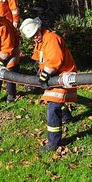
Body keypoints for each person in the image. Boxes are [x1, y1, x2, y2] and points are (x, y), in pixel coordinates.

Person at [19, 17, 77, 153]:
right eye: (32, 37)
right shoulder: (41, 41)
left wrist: (44, 75)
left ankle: (53, 142)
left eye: (36, 35)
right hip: (54, 76)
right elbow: (41, 60)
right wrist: (41, 74)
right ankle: (67, 116)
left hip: (63, 75)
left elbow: (55, 60)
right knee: (55, 101)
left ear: (39, 29)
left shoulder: (51, 38)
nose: (35, 38)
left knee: (52, 106)